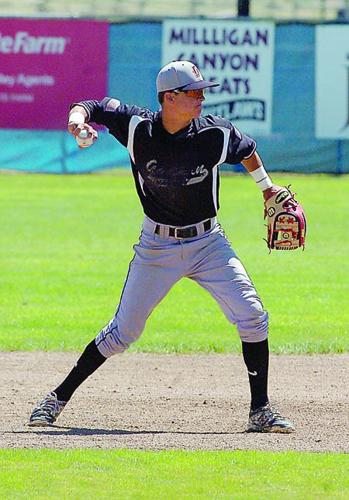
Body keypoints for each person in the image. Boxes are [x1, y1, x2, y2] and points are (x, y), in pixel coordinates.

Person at [28, 60, 294, 433]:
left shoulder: (214, 133)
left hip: (208, 243)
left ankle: (260, 410)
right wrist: (77, 122)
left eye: (202, 91)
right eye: (194, 92)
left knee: (252, 315)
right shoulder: (138, 127)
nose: (202, 98)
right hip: (157, 246)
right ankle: (56, 398)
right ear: (170, 98)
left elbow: (247, 149)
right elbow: (92, 105)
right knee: (123, 333)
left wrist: (267, 188)